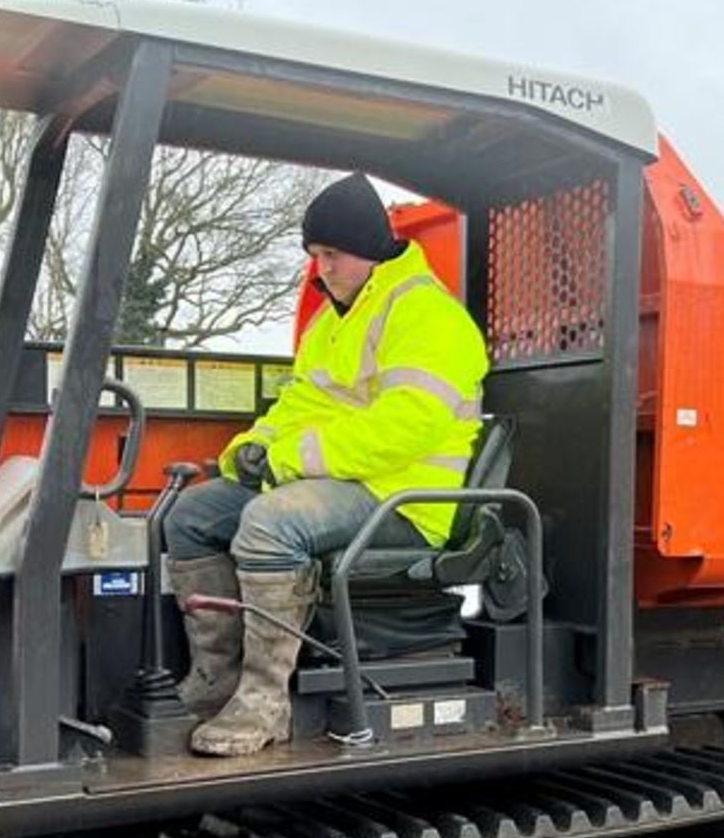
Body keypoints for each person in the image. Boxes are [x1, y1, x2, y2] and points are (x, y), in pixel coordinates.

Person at [163, 172, 489, 757]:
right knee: (190, 514)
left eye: (331, 254)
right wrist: (250, 450)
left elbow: (406, 427)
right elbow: (299, 404)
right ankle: (218, 681)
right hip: (344, 483)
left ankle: (265, 702)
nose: (322, 268)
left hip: (407, 498)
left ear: (367, 249)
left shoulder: (428, 317)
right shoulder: (333, 320)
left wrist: (288, 460)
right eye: (315, 255)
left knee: (269, 522)